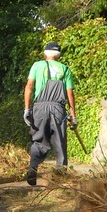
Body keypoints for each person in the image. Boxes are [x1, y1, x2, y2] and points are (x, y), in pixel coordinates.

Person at [23, 41, 76, 185]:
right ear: (58, 55)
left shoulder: (37, 65)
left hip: (39, 107)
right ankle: (60, 176)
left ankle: (33, 168)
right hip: (58, 108)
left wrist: (27, 109)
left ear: (45, 54)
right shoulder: (65, 69)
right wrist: (73, 115)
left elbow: (29, 87)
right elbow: (69, 94)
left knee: (39, 140)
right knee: (60, 141)